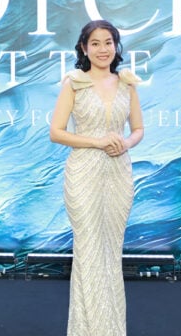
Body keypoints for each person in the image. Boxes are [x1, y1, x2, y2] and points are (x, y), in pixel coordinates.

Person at [50, 20, 144, 336]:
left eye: (108, 42)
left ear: (116, 47)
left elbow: (138, 129)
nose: (102, 49)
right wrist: (98, 141)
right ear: (84, 48)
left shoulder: (127, 84)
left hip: (119, 173)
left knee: (111, 251)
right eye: (95, 43)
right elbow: (56, 132)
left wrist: (125, 143)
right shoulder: (74, 83)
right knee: (89, 250)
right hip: (84, 173)